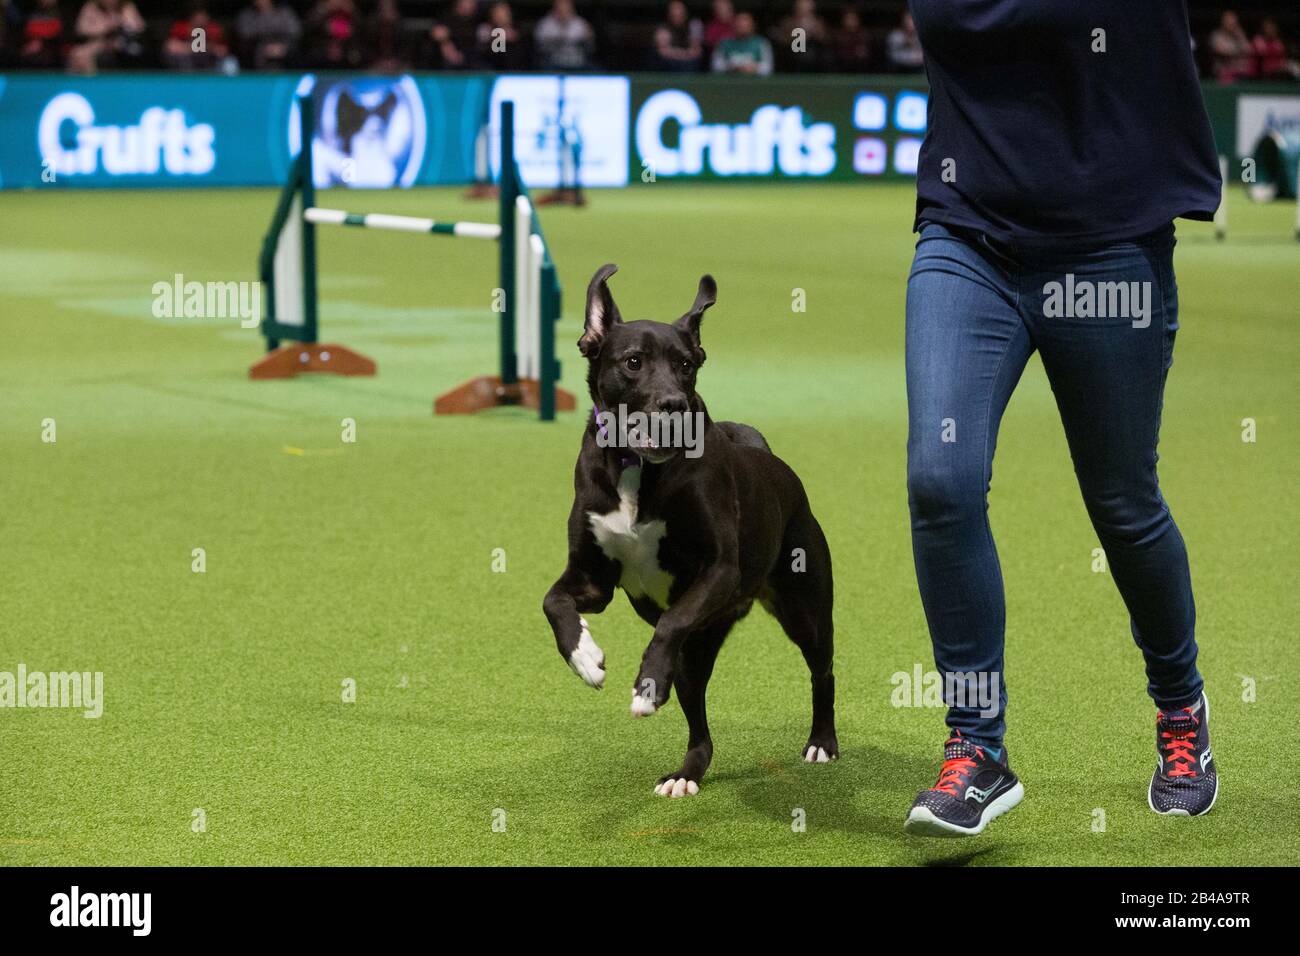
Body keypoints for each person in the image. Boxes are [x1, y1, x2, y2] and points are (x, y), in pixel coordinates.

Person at [901, 0, 1221, 836]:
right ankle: (976, 749)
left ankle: (1181, 709)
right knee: (941, 479)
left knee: (1122, 502)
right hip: (967, 237)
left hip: (1111, 245)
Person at [163, 2, 230, 71]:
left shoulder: (214, 29)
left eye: (203, 15)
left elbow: (222, 50)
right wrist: (194, 48)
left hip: (208, 63)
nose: (200, 19)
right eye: (197, 16)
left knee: (229, 62)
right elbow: (170, 47)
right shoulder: (181, 28)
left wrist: (209, 48)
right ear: (192, 17)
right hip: (187, 63)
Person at [236, 0, 301, 70]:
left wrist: (280, 47)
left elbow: (295, 32)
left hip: (283, 46)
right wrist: (266, 47)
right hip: (258, 49)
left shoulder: (284, 12)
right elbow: (245, 34)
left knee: (292, 50)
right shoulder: (247, 15)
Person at [534, 0, 593, 71]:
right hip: (553, 61)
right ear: (555, 10)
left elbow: (590, 46)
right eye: (560, 10)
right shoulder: (545, 24)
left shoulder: (580, 24)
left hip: (577, 61)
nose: (563, 13)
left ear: (572, 10)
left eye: (566, 10)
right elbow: (539, 47)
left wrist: (588, 38)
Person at [710, 11, 770, 75]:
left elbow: (767, 67)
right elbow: (716, 66)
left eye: (745, 25)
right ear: (734, 25)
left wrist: (755, 68)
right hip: (729, 82)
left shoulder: (761, 43)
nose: (742, 28)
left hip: (754, 82)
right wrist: (730, 67)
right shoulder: (724, 43)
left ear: (752, 26)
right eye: (739, 25)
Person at [651, 0, 702, 72]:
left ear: (685, 13)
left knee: (691, 63)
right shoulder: (663, 28)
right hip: (669, 65)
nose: (677, 13)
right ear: (669, 14)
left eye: (680, 12)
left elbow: (696, 51)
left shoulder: (694, 25)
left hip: (688, 64)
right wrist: (684, 54)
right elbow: (663, 51)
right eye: (674, 11)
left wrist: (680, 54)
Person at [776, 0, 826, 72]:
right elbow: (782, 40)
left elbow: (824, 39)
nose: (804, 10)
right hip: (793, 56)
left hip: (813, 56)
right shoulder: (788, 22)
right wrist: (794, 34)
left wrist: (814, 33)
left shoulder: (818, 22)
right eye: (801, 7)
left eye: (806, 7)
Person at [477, 1, 524, 71]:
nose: (501, 16)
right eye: (498, 13)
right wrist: (499, 36)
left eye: (504, 12)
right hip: (492, 68)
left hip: (515, 69)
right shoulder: (485, 29)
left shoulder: (518, 30)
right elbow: (488, 53)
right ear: (492, 15)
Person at [18, 0, 66, 69]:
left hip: (52, 57)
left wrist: (42, 44)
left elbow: (61, 40)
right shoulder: (28, 13)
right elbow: (22, 37)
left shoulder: (63, 14)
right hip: (29, 57)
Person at [1209, 10, 1253, 84]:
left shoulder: (1239, 35)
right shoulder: (1217, 35)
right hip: (1223, 74)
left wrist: (1240, 37)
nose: (1231, 24)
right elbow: (1222, 52)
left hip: (1242, 74)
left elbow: (1249, 50)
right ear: (1223, 22)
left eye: (1233, 22)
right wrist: (1239, 52)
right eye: (1228, 21)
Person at [830, 6, 871, 73]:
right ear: (843, 20)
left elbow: (865, 53)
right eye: (848, 19)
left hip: (859, 66)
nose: (851, 21)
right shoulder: (839, 35)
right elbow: (837, 53)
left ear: (858, 20)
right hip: (841, 65)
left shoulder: (863, 34)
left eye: (853, 19)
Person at [1252, 17, 1294, 81]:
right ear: (1263, 29)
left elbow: (1283, 55)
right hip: (1264, 71)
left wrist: (1282, 66)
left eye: (1272, 28)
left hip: (1279, 69)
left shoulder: (1277, 41)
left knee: (1294, 67)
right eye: (1268, 28)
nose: (1270, 30)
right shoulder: (1258, 40)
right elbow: (1262, 55)